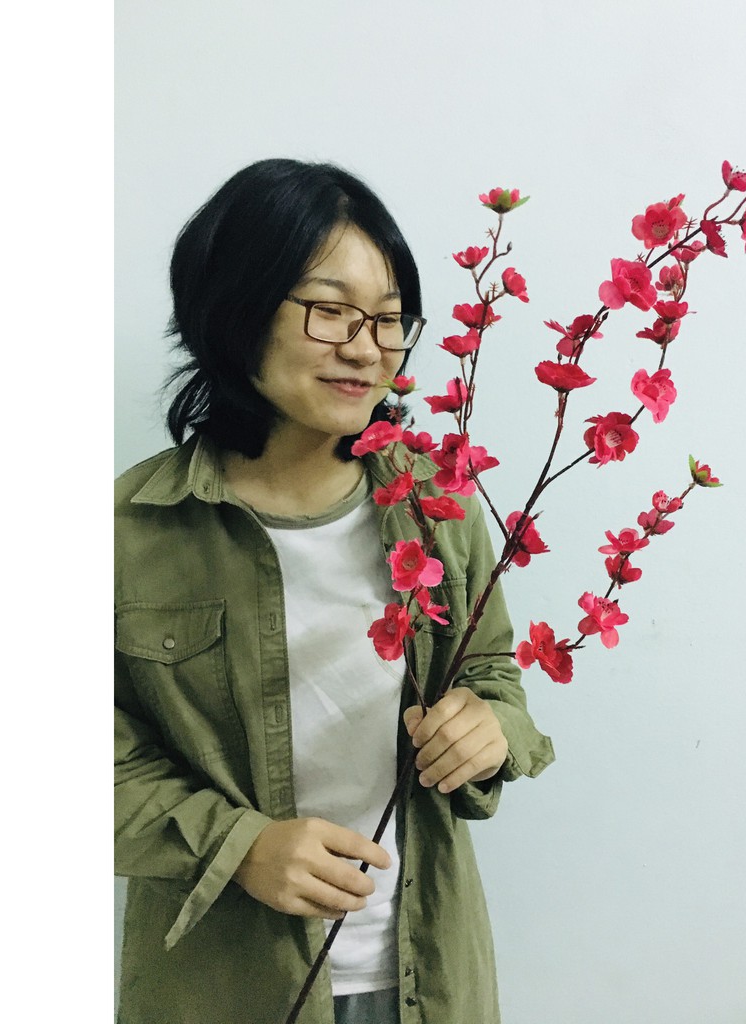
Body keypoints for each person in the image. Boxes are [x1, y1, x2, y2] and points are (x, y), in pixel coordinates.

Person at [114, 158, 554, 1024]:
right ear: (237, 308)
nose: (366, 348)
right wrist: (238, 846)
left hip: (426, 978)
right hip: (221, 989)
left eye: (389, 320)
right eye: (330, 310)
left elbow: (495, 678)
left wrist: (489, 729)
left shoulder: (436, 507)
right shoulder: (128, 532)